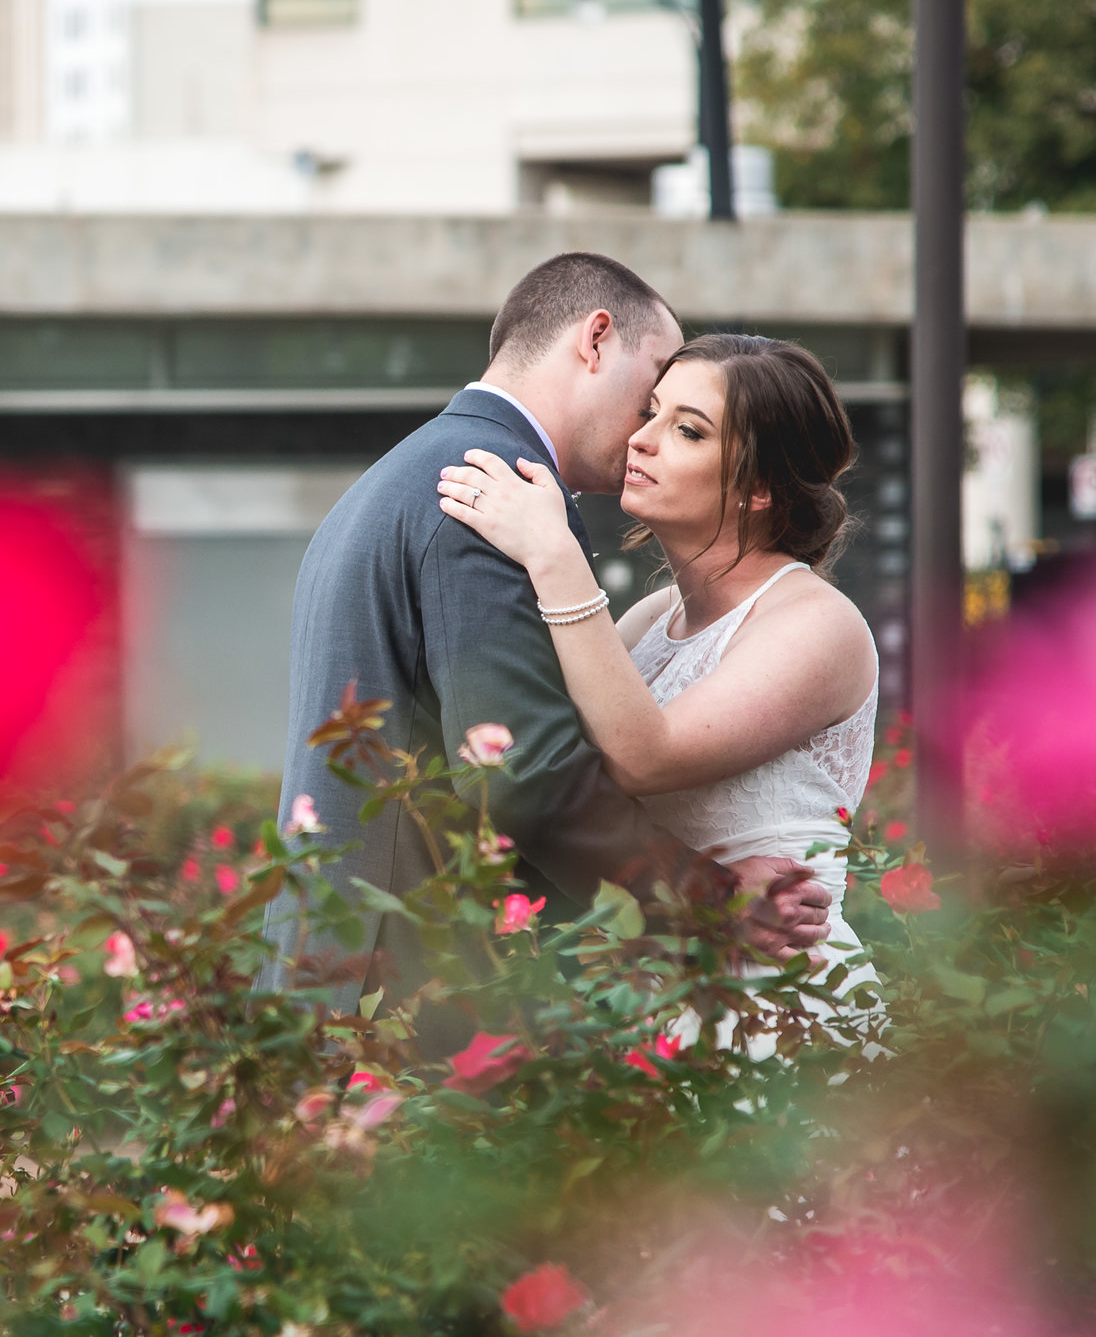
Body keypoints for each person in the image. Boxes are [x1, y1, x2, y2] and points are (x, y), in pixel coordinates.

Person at [258, 255, 834, 1018]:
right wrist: (715, 905)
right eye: (652, 390)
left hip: (334, 971)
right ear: (595, 341)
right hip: (410, 997)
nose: (645, 430)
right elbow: (523, 774)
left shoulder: (404, 475)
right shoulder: (488, 491)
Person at [433, 332, 881, 993]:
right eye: (650, 412)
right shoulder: (648, 621)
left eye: (688, 431)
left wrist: (553, 555)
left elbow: (645, 755)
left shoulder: (817, 624)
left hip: (779, 992)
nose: (641, 439)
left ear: (758, 487)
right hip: (664, 993)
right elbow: (566, 772)